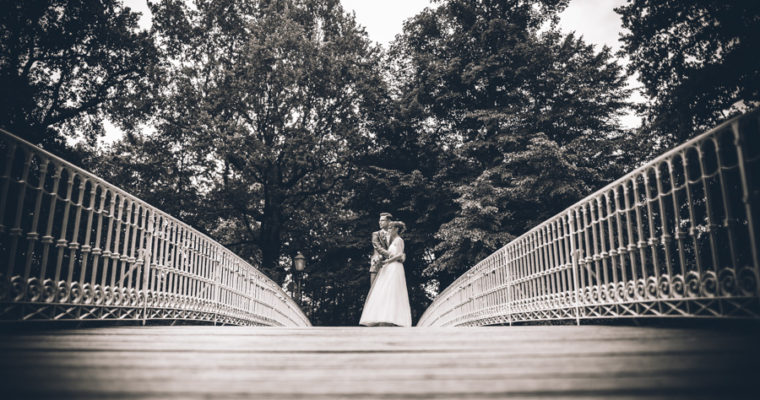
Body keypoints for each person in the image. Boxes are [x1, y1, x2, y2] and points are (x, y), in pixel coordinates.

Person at [360, 220, 412, 327]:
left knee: (392, 291)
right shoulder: (394, 241)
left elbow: (399, 255)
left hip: (394, 267)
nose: (389, 230)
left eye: (390, 228)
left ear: (396, 229)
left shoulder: (399, 240)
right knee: (385, 291)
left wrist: (387, 261)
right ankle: (384, 317)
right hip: (389, 267)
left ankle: (390, 318)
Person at [370, 212, 393, 285]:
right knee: (374, 290)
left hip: (391, 264)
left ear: (389, 222)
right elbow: (378, 247)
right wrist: (391, 254)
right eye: (379, 220)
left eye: (382, 220)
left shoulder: (394, 234)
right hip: (377, 263)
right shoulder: (376, 234)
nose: (379, 222)